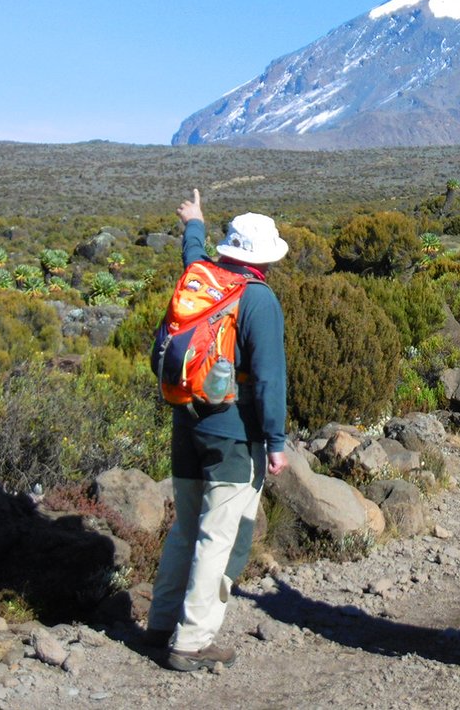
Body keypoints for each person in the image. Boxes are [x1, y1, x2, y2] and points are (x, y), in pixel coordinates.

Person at [145, 189, 290, 672]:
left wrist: (194, 222)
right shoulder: (258, 299)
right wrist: (275, 442)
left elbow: (191, 255)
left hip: (186, 423)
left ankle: (162, 624)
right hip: (231, 433)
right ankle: (192, 639)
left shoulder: (201, 277)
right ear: (264, 258)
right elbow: (270, 378)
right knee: (217, 538)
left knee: (185, 530)